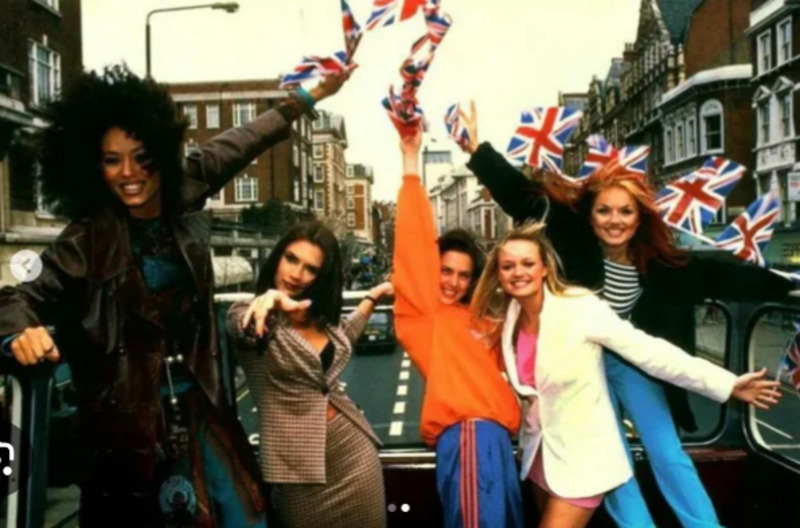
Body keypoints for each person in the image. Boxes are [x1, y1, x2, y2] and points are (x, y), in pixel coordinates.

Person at [0, 64, 349, 527]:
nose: (128, 173)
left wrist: (305, 99)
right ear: (92, 164)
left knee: (245, 518)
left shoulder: (185, 187)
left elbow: (245, 139)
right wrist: (20, 330)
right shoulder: (84, 241)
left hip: (203, 413)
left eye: (141, 156)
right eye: (111, 160)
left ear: (159, 153)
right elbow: (16, 297)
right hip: (129, 439)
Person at [458, 103, 793, 528]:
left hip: (630, 359)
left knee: (667, 451)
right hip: (584, 366)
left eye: (625, 212)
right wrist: (478, 151)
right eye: (604, 211)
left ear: (640, 217)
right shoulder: (571, 239)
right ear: (590, 213)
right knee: (613, 464)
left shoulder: (661, 262)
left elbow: (724, 276)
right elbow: (518, 192)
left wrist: (786, 285)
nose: (614, 221)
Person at [470, 222, 781, 528]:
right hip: (541, 457)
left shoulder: (580, 308)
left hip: (585, 460)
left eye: (527, 263)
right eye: (508, 266)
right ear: (498, 274)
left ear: (545, 268)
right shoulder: (510, 317)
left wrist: (726, 384)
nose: (518, 272)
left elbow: (649, 351)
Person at [392, 128, 524, 528]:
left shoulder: (482, 318)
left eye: (463, 275)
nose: (452, 282)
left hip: (498, 441)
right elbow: (413, 242)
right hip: (469, 435)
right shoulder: (424, 316)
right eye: (444, 271)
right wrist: (411, 162)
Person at [226, 221, 392, 528]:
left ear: (321, 277)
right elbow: (243, 328)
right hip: (297, 472)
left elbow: (343, 338)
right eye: (291, 258)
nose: (296, 273)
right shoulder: (253, 315)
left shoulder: (321, 320)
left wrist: (373, 296)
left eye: (310, 268)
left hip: (355, 456)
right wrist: (268, 301)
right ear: (277, 257)